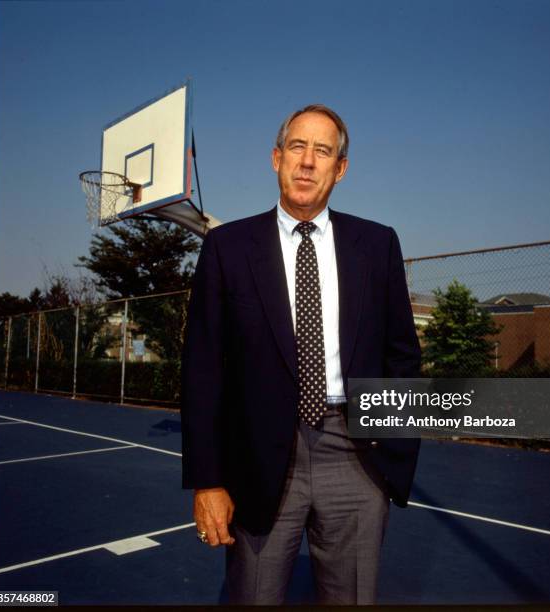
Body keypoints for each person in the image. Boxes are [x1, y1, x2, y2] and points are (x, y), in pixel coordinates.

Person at [181, 104, 421, 605]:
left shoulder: (377, 245)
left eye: (323, 151)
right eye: (297, 147)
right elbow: (203, 371)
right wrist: (208, 480)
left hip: (356, 453)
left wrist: (392, 456)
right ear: (276, 158)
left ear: (341, 168)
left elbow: (402, 357)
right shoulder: (228, 247)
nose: (308, 162)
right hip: (261, 458)